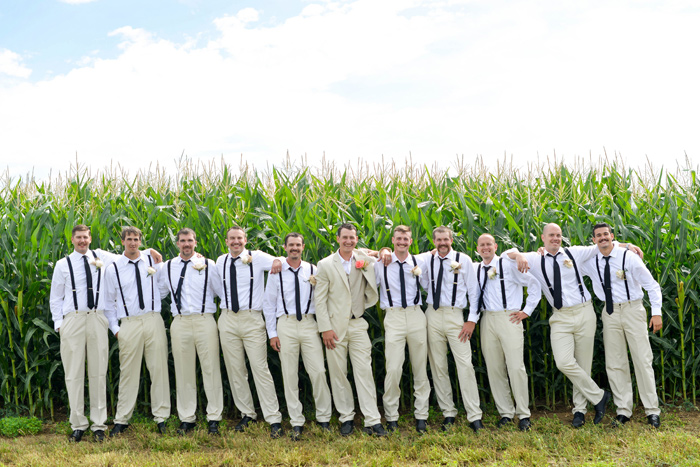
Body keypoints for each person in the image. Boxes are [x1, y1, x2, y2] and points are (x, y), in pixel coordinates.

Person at [506, 223, 640, 427]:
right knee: (564, 362)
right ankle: (599, 396)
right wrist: (518, 255)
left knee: (583, 364)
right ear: (543, 238)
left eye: (558, 235)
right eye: (551, 235)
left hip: (584, 312)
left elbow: (603, 245)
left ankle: (579, 411)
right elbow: (508, 252)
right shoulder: (535, 258)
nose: (555, 238)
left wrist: (627, 244)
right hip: (560, 317)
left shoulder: (574, 252)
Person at [49, 225, 134, 442]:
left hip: (97, 318)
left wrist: (151, 252)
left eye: (85, 237)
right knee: (73, 374)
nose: (82, 241)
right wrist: (60, 325)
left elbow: (129, 254)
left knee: (98, 373)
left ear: (90, 238)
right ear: (72, 239)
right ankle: (77, 424)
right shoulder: (62, 264)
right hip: (73, 320)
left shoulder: (102, 256)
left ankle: (98, 425)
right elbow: (55, 297)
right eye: (78, 237)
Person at [582, 223, 662, 428]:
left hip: (633, 309)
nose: (602, 238)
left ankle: (652, 410)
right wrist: (541, 250)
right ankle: (623, 410)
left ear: (612, 236)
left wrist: (656, 313)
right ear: (593, 240)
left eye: (605, 234)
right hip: (609, 312)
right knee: (615, 362)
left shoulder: (629, 257)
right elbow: (566, 258)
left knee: (642, 360)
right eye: (598, 236)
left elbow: (651, 285)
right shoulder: (590, 261)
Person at [314, 223, 387, 436]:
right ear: (337, 239)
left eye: (352, 238)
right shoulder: (325, 264)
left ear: (356, 239)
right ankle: (346, 418)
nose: (348, 241)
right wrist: (325, 329)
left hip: (357, 324)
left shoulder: (363, 259)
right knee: (338, 374)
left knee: (364, 371)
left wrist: (385, 250)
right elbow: (320, 300)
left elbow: (383, 256)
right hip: (334, 328)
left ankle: (372, 420)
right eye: (344, 237)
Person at [214, 226, 284, 438]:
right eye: (232, 239)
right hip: (227, 318)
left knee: (259, 368)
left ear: (245, 240)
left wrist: (279, 261)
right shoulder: (220, 261)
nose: (236, 242)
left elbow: (278, 260)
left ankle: (274, 418)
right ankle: (248, 413)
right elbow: (218, 287)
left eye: (239, 238)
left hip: (252, 319)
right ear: (226, 241)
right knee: (235, 369)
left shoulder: (257, 257)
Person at [262, 233, 332, 440]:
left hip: (310, 324)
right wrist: (272, 333)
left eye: (298, 245)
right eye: (291, 245)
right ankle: (296, 422)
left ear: (303, 247)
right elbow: (269, 304)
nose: (294, 248)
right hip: (286, 324)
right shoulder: (276, 272)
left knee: (318, 371)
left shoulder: (314, 270)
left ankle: (324, 418)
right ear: (284, 247)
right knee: (290, 374)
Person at [469, 233, 541, 431]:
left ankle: (524, 414)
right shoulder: (475, 269)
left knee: (516, 367)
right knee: (494, 368)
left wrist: (526, 311)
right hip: (487, 320)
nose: (485, 248)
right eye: (481, 245)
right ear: (477, 248)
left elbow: (534, 284)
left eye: (489, 244)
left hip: (509, 317)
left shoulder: (508, 264)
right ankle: (506, 413)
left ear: (495, 246)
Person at [104, 226, 170, 436]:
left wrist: (155, 299)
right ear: (122, 241)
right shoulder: (113, 268)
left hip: (153, 320)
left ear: (140, 241)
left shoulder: (153, 260)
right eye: (129, 239)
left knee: (159, 369)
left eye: (136, 239)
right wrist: (116, 330)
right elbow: (108, 302)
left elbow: (165, 284)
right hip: (129, 324)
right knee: (128, 373)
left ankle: (161, 417)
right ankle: (122, 419)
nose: (132, 243)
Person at [418, 226, 483, 432]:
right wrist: (381, 252)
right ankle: (448, 413)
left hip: (456, 317)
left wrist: (471, 320)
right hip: (433, 315)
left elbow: (474, 292)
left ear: (451, 239)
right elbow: (403, 258)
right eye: (438, 240)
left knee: (465, 365)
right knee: (438, 366)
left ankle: (474, 415)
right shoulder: (427, 259)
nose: (442, 243)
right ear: (433, 241)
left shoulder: (463, 259)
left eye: (445, 239)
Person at [159, 228, 224, 435]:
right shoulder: (168, 267)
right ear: (177, 243)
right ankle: (187, 418)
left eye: (190, 241)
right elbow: (158, 292)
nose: (186, 244)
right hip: (180, 322)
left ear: (195, 242)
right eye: (182, 241)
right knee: (183, 370)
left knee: (210, 369)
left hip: (205, 320)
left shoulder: (209, 264)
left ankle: (214, 416)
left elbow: (220, 292)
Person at [374, 225, 430, 434]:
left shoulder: (419, 261)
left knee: (419, 367)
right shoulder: (381, 264)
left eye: (405, 239)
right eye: (398, 239)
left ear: (411, 241)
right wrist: (382, 250)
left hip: (416, 315)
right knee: (394, 368)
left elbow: (439, 251)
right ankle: (391, 416)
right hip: (394, 317)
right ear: (393, 240)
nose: (402, 242)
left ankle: (421, 416)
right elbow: (361, 254)